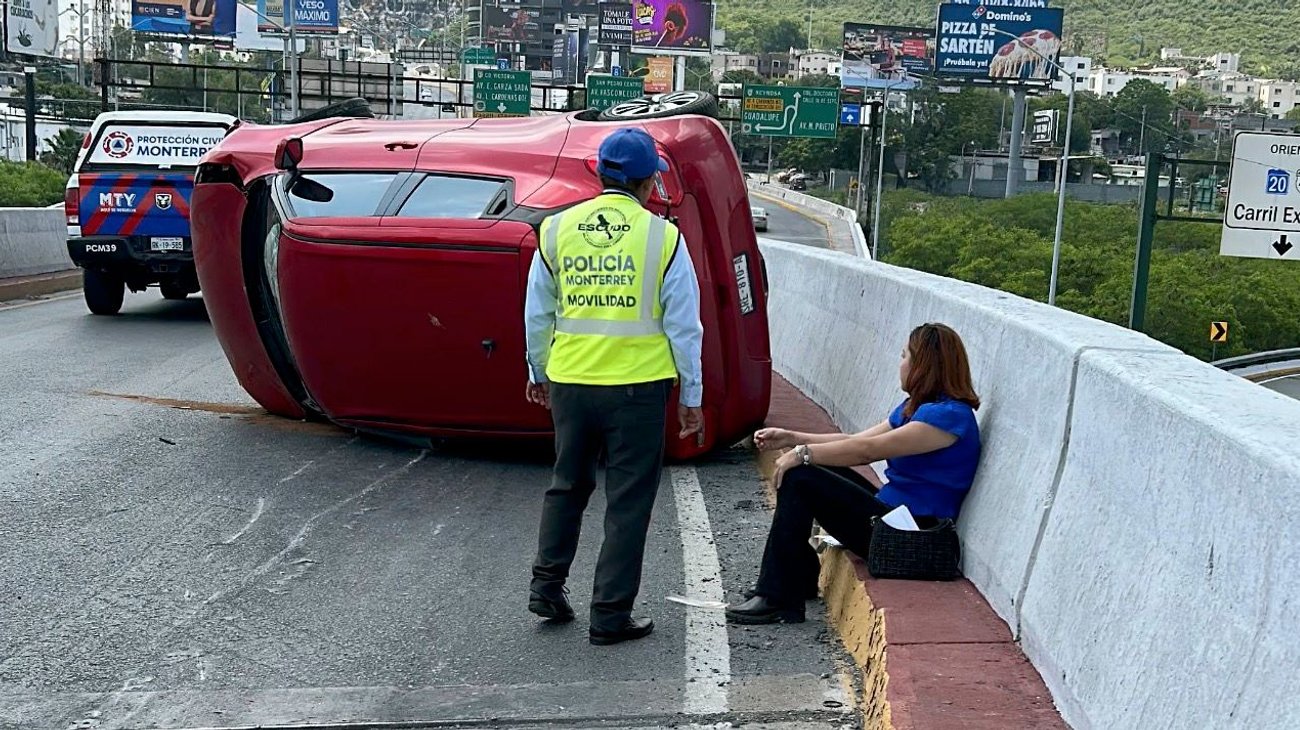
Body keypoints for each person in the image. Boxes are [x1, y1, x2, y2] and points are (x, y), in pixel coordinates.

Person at [524, 127, 705, 646]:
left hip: (572, 382)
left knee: (567, 484)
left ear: (598, 173)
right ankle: (609, 614)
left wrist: (538, 372)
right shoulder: (663, 238)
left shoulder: (555, 230)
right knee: (627, 502)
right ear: (650, 182)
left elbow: (538, 313)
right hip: (638, 389)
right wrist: (691, 398)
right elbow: (684, 327)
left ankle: (547, 587)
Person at [727, 323, 982, 625]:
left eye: (905, 356)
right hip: (891, 518)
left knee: (800, 477)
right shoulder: (919, 408)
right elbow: (855, 440)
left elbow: (868, 451)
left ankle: (778, 598)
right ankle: (795, 580)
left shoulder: (947, 419)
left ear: (923, 366)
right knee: (810, 469)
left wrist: (802, 454)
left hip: (910, 536)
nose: (900, 364)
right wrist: (793, 438)